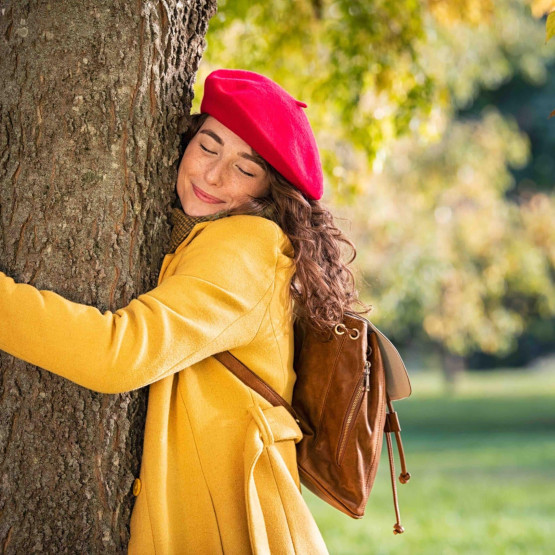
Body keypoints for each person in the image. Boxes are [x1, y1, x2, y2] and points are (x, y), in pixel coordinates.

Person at [0, 69, 371, 554]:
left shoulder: (245, 246)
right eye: (209, 146)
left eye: (245, 167)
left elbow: (118, 354)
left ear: (269, 191)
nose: (213, 175)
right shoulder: (209, 239)